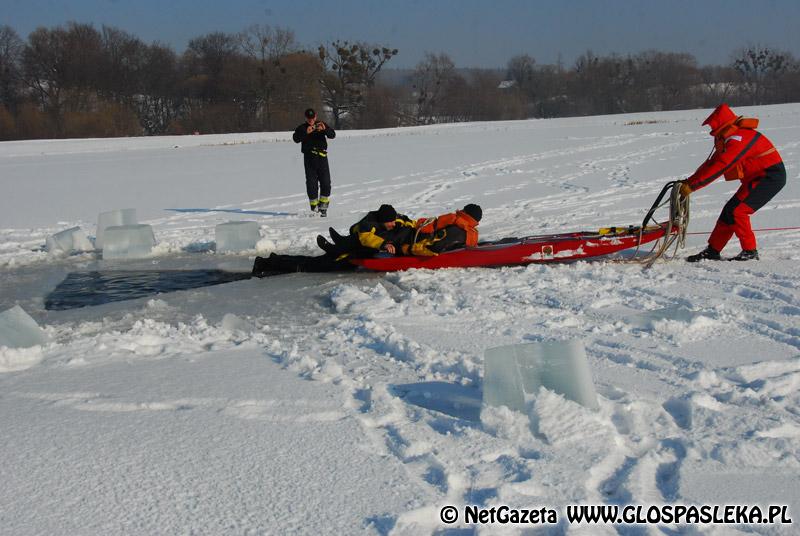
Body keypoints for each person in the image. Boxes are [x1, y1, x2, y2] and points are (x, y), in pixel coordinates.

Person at [681, 104, 786, 262]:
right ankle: (713, 251)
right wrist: (689, 181)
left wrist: (692, 187)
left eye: (712, 126)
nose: (711, 130)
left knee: (739, 211)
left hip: (770, 178)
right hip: (756, 178)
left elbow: (721, 166)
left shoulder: (739, 139)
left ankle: (750, 252)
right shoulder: (730, 138)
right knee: (729, 210)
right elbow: (711, 164)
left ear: (721, 125)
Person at [317, 204, 416, 258]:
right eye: (390, 222)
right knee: (358, 241)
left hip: (373, 235)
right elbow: (365, 237)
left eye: (394, 221)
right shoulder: (370, 222)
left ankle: (340, 243)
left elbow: (410, 222)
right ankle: (337, 246)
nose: (394, 224)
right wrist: (383, 244)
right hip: (358, 233)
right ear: (382, 221)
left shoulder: (395, 218)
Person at [293, 108, 336, 216]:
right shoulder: (302, 128)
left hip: (322, 157)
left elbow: (332, 135)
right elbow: (296, 139)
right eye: (309, 118)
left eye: (312, 118)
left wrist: (324, 129)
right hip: (309, 158)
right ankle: (314, 207)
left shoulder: (321, 124)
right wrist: (306, 133)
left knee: (326, 183)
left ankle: (323, 207)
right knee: (312, 184)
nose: (311, 121)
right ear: (305, 118)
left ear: (316, 116)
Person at [402, 204, 482, 256]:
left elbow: (433, 248)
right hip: (419, 232)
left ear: (465, 213)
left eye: (463, 210)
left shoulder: (455, 229)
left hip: (413, 239)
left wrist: (409, 249)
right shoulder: (470, 233)